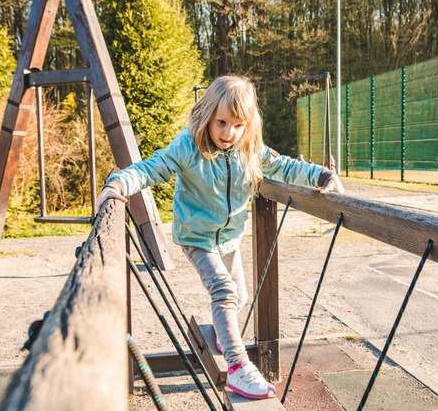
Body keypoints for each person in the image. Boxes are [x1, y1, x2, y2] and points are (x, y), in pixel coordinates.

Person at [95, 75, 344, 400]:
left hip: (228, 238)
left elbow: (283, 167)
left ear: (248, 125)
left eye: (238, 125)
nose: (229, 133)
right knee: (224, 291)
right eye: (222, 123)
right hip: (196, 237)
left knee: (238, 296)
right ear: (208, 115)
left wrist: (323, 175)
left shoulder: (250, 149)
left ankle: (223, 338)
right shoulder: (188, 147)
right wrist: (117, 185)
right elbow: (150, 169)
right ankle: (238, 367)